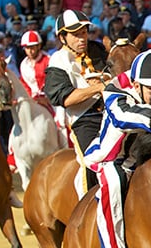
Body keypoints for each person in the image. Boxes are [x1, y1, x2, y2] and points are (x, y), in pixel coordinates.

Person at [83, 50, 151, 248]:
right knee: (113, 183)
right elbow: (123, 116)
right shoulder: (115, 93)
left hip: (142, 160)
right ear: (136, 85)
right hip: (111, 161)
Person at [44, 9, 110, 159]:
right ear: (62, 38)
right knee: (94, 161)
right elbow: (66, 99)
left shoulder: (98, 50)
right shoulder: (58, 60)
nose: (82, 38)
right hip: (85, 120)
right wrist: (98, 88)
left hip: (113, 112)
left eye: (84, 33)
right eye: (75, 35)